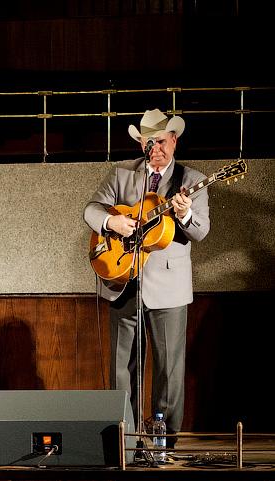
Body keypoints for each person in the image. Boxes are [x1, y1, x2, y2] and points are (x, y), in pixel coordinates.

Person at [84, 109, 210, 446]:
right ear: (142, 142)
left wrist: (184, 214)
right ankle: (125, 439)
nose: (158, 147)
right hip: (123, 280)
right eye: (151, 141)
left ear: (175, 140)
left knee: (169, 371)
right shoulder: (122, 174)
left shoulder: (190, 178)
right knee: (123, 369)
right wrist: (113, 224)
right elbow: (92, 210)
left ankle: (163, 442)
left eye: (164, 140)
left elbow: (201, 232)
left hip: (168, 289)